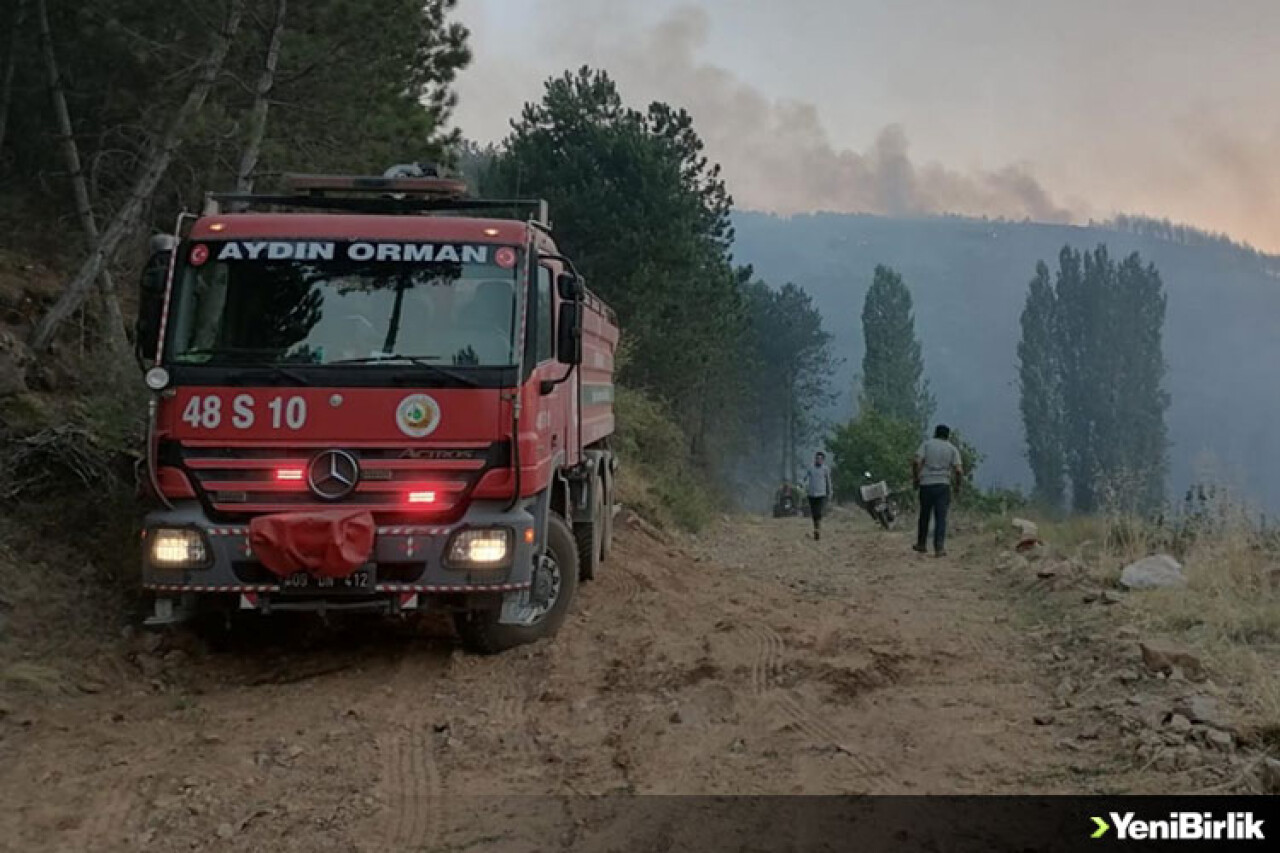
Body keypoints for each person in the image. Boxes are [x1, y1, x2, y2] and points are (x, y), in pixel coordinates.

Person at [912, 424, 964, 557]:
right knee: (941, 517)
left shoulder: (927, 444)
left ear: (935, 433)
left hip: (926, 484)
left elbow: (916, 462)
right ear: (947, 435)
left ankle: (921, 544)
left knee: (924, 515)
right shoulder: (952, 449)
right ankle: (939, 548)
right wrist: (957, 486)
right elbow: (958, 470)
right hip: (943, 485)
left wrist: (916, 478)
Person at [805, 451, 834, 540]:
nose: (818, 460)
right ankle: (816, 526)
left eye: (820, 459)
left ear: (823, 460)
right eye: (817, 458)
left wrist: (830, 492)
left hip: (821, 494)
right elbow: (805, 478)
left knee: (818, 511)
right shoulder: (810, 468)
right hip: (811, 494)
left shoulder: (825, 469)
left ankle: (818, 529)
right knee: (814, 512)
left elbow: (828, 482)